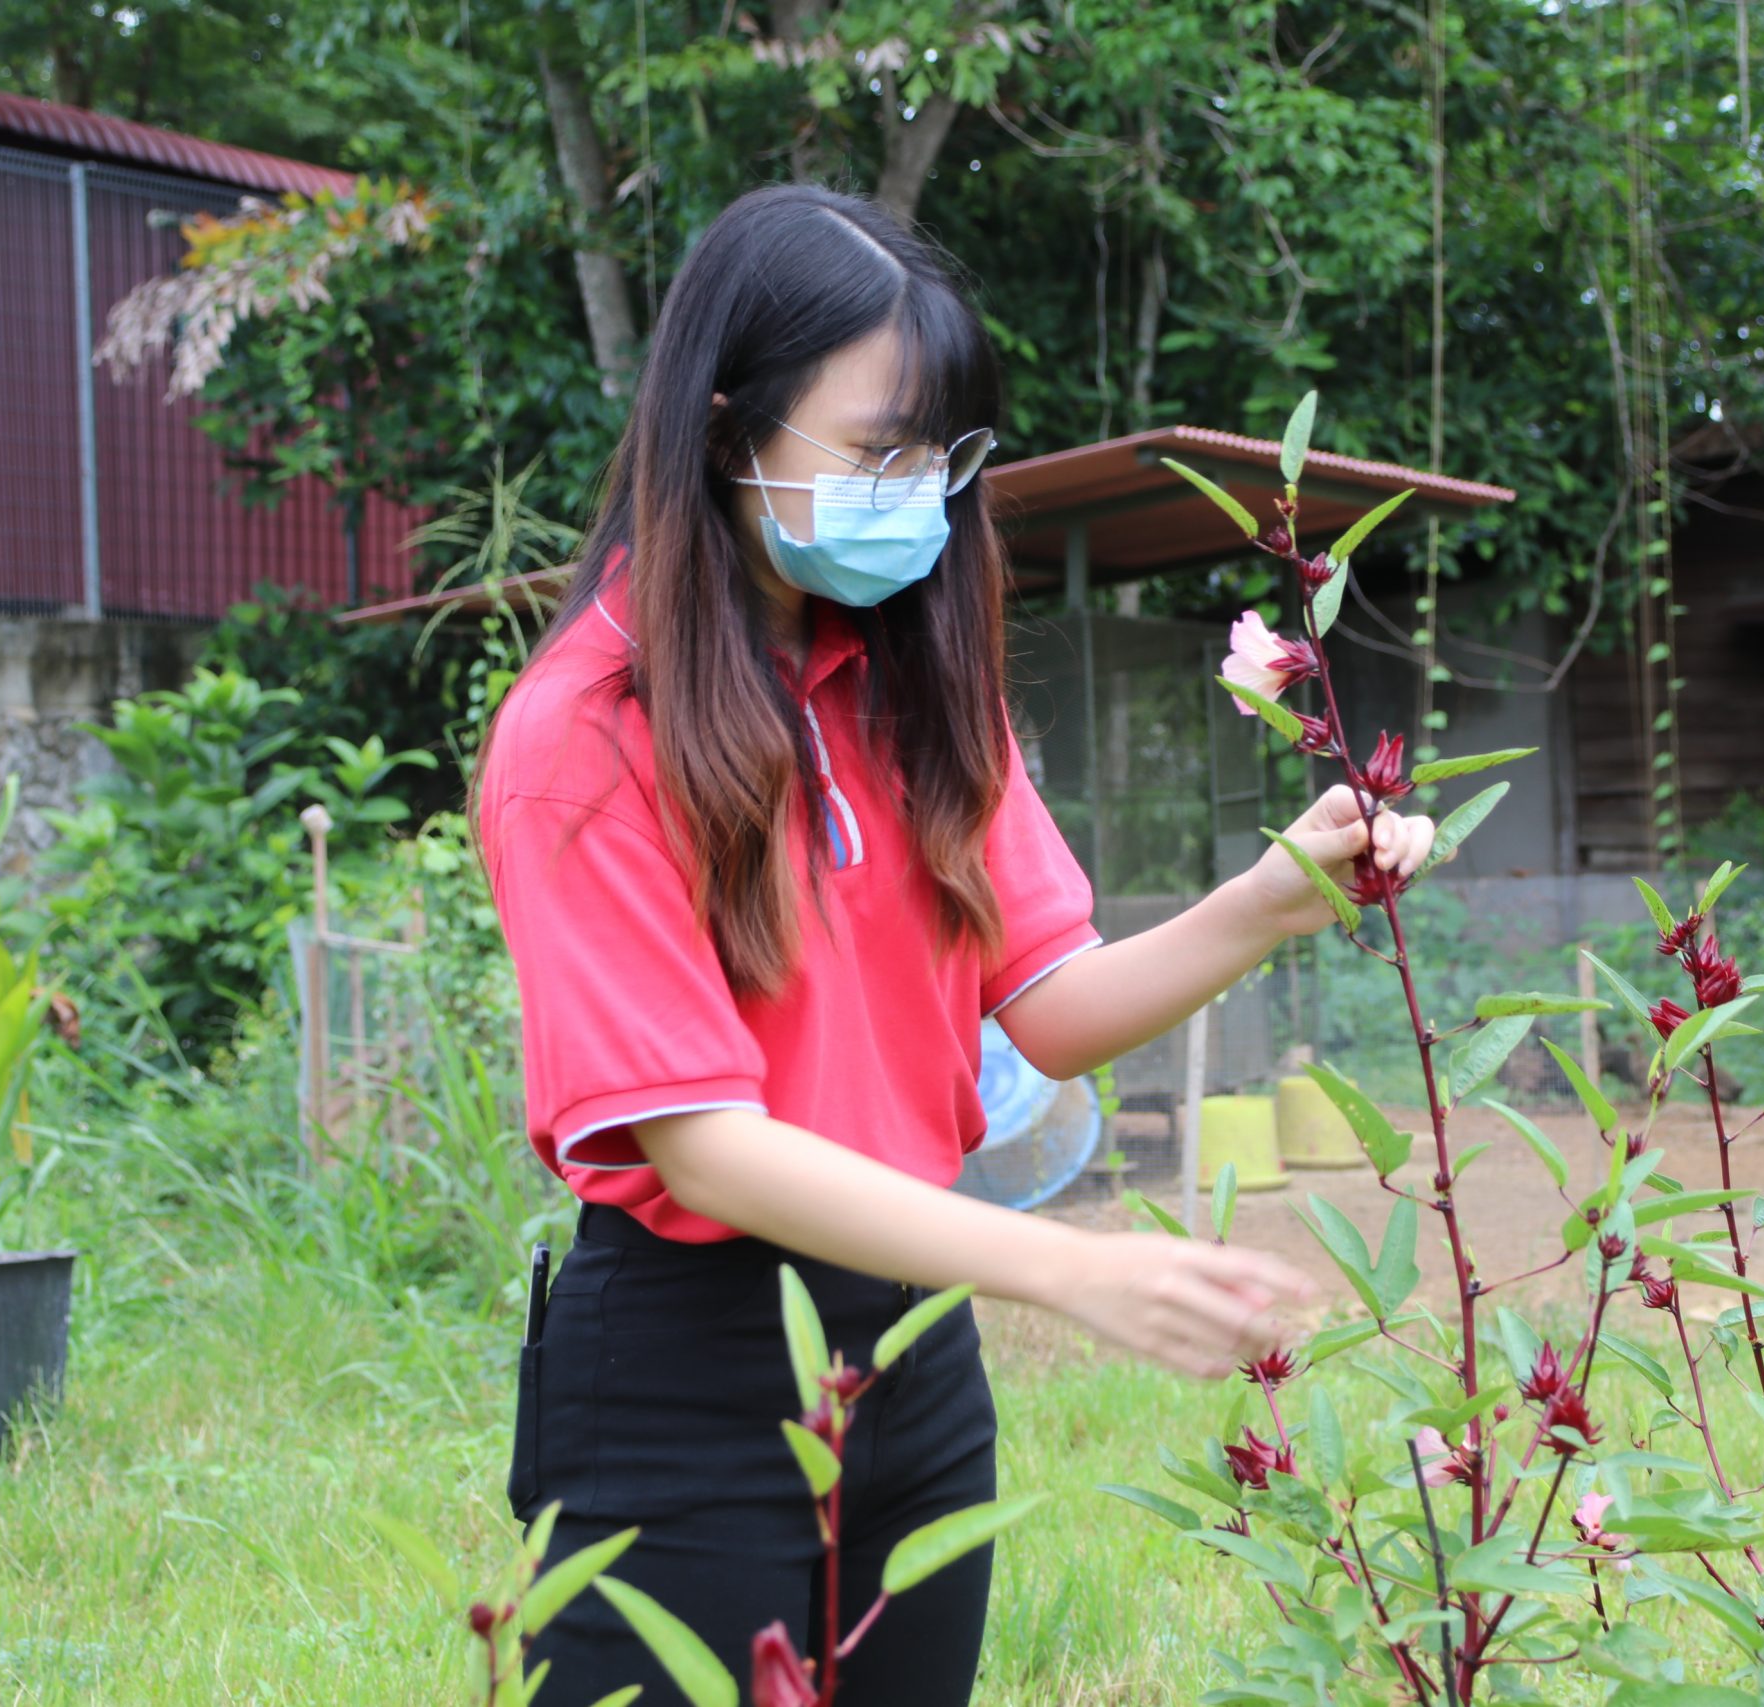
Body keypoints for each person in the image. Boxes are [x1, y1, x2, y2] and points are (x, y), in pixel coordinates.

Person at [473, 182, 1439, 1707]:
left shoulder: (917, 683)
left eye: (942, 456)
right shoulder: (584, 740)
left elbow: (1049, 1006)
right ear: (725, 436)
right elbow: (705, 1149)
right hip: (686, 1374)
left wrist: (1277, 894)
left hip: (916, 1355)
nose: (918, 495)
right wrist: (1064, 1269)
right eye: (877, 454)